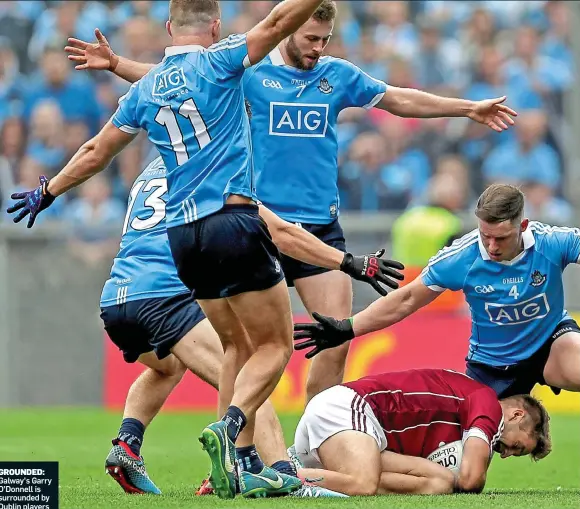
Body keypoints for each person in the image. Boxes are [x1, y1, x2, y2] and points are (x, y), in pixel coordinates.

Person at [64, 0, 517, 406]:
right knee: (245, 348)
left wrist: (466, 108)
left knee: (335, 340)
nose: (318, 47)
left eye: (324, 40)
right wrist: (117, 64)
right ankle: (234, 456)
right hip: (262, 225)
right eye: (310, 38)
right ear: (288, 32)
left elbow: (398, 99)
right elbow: (176, 81)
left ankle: (314, 451)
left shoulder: (336, 75)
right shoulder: (249, 73)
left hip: (319, 227)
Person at [6, 0, 338, 500]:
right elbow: (274, 23)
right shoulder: (221, 62)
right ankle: (275, 472)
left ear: (167, 27)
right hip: (206, 242)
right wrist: (347, 261)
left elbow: (97, 151)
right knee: (261, 356)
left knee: (179, 363)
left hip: (152, 268)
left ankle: (130, 443)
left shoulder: (147, 96)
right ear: (217, 26)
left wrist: (48, 190)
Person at [100, 156, 402, 496]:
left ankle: (128, 443)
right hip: (166, 294)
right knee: (249, 374)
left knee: (168, 367)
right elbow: (281, 232)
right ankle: (282, 475)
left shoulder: (154, 167)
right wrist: (348, 262)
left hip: (116, 297)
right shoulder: (212, 166)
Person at [294, 184, 580, 399]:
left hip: (550, 343)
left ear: (522, 226)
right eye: (486, 236)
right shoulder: (461, 258)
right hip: (491, 367)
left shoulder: (552, 242)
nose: (492, 247)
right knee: (467, 475)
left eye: (501, 238)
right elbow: (406, 299)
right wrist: (348, 328)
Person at [290, 368, 551, 496]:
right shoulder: (488, 403)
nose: (506, 455)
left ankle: (320, 478)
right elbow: (471, 480)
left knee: (440, 482)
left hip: (361, 439)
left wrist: (454, 477)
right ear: (517, 415)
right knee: (363, 483)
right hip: (349, 407)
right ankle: (283, 476)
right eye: (517, 447)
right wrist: (468, 472)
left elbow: (457, 481)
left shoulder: (460, 420)